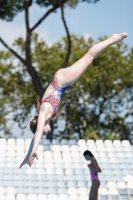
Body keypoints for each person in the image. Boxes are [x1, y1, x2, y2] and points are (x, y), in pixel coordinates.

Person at [19, 32, 128, 168]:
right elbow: (35, 136)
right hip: (62, 83)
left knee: (89, 57)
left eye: (43, 131)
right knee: (88, 58)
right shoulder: (46, 117)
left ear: (39, 126)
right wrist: (27, 155)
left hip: (61, 81)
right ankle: (112, 40)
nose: (46, 132)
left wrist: (35, 149)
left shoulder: (44, 113)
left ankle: (113, 39)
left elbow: (38, 133)